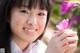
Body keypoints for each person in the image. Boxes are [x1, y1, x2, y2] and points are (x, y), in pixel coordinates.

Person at [0, 0, 78, 53]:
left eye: (41, 14)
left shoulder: (42, 49)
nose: (33, 22)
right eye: (24, 11)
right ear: (7, 14)